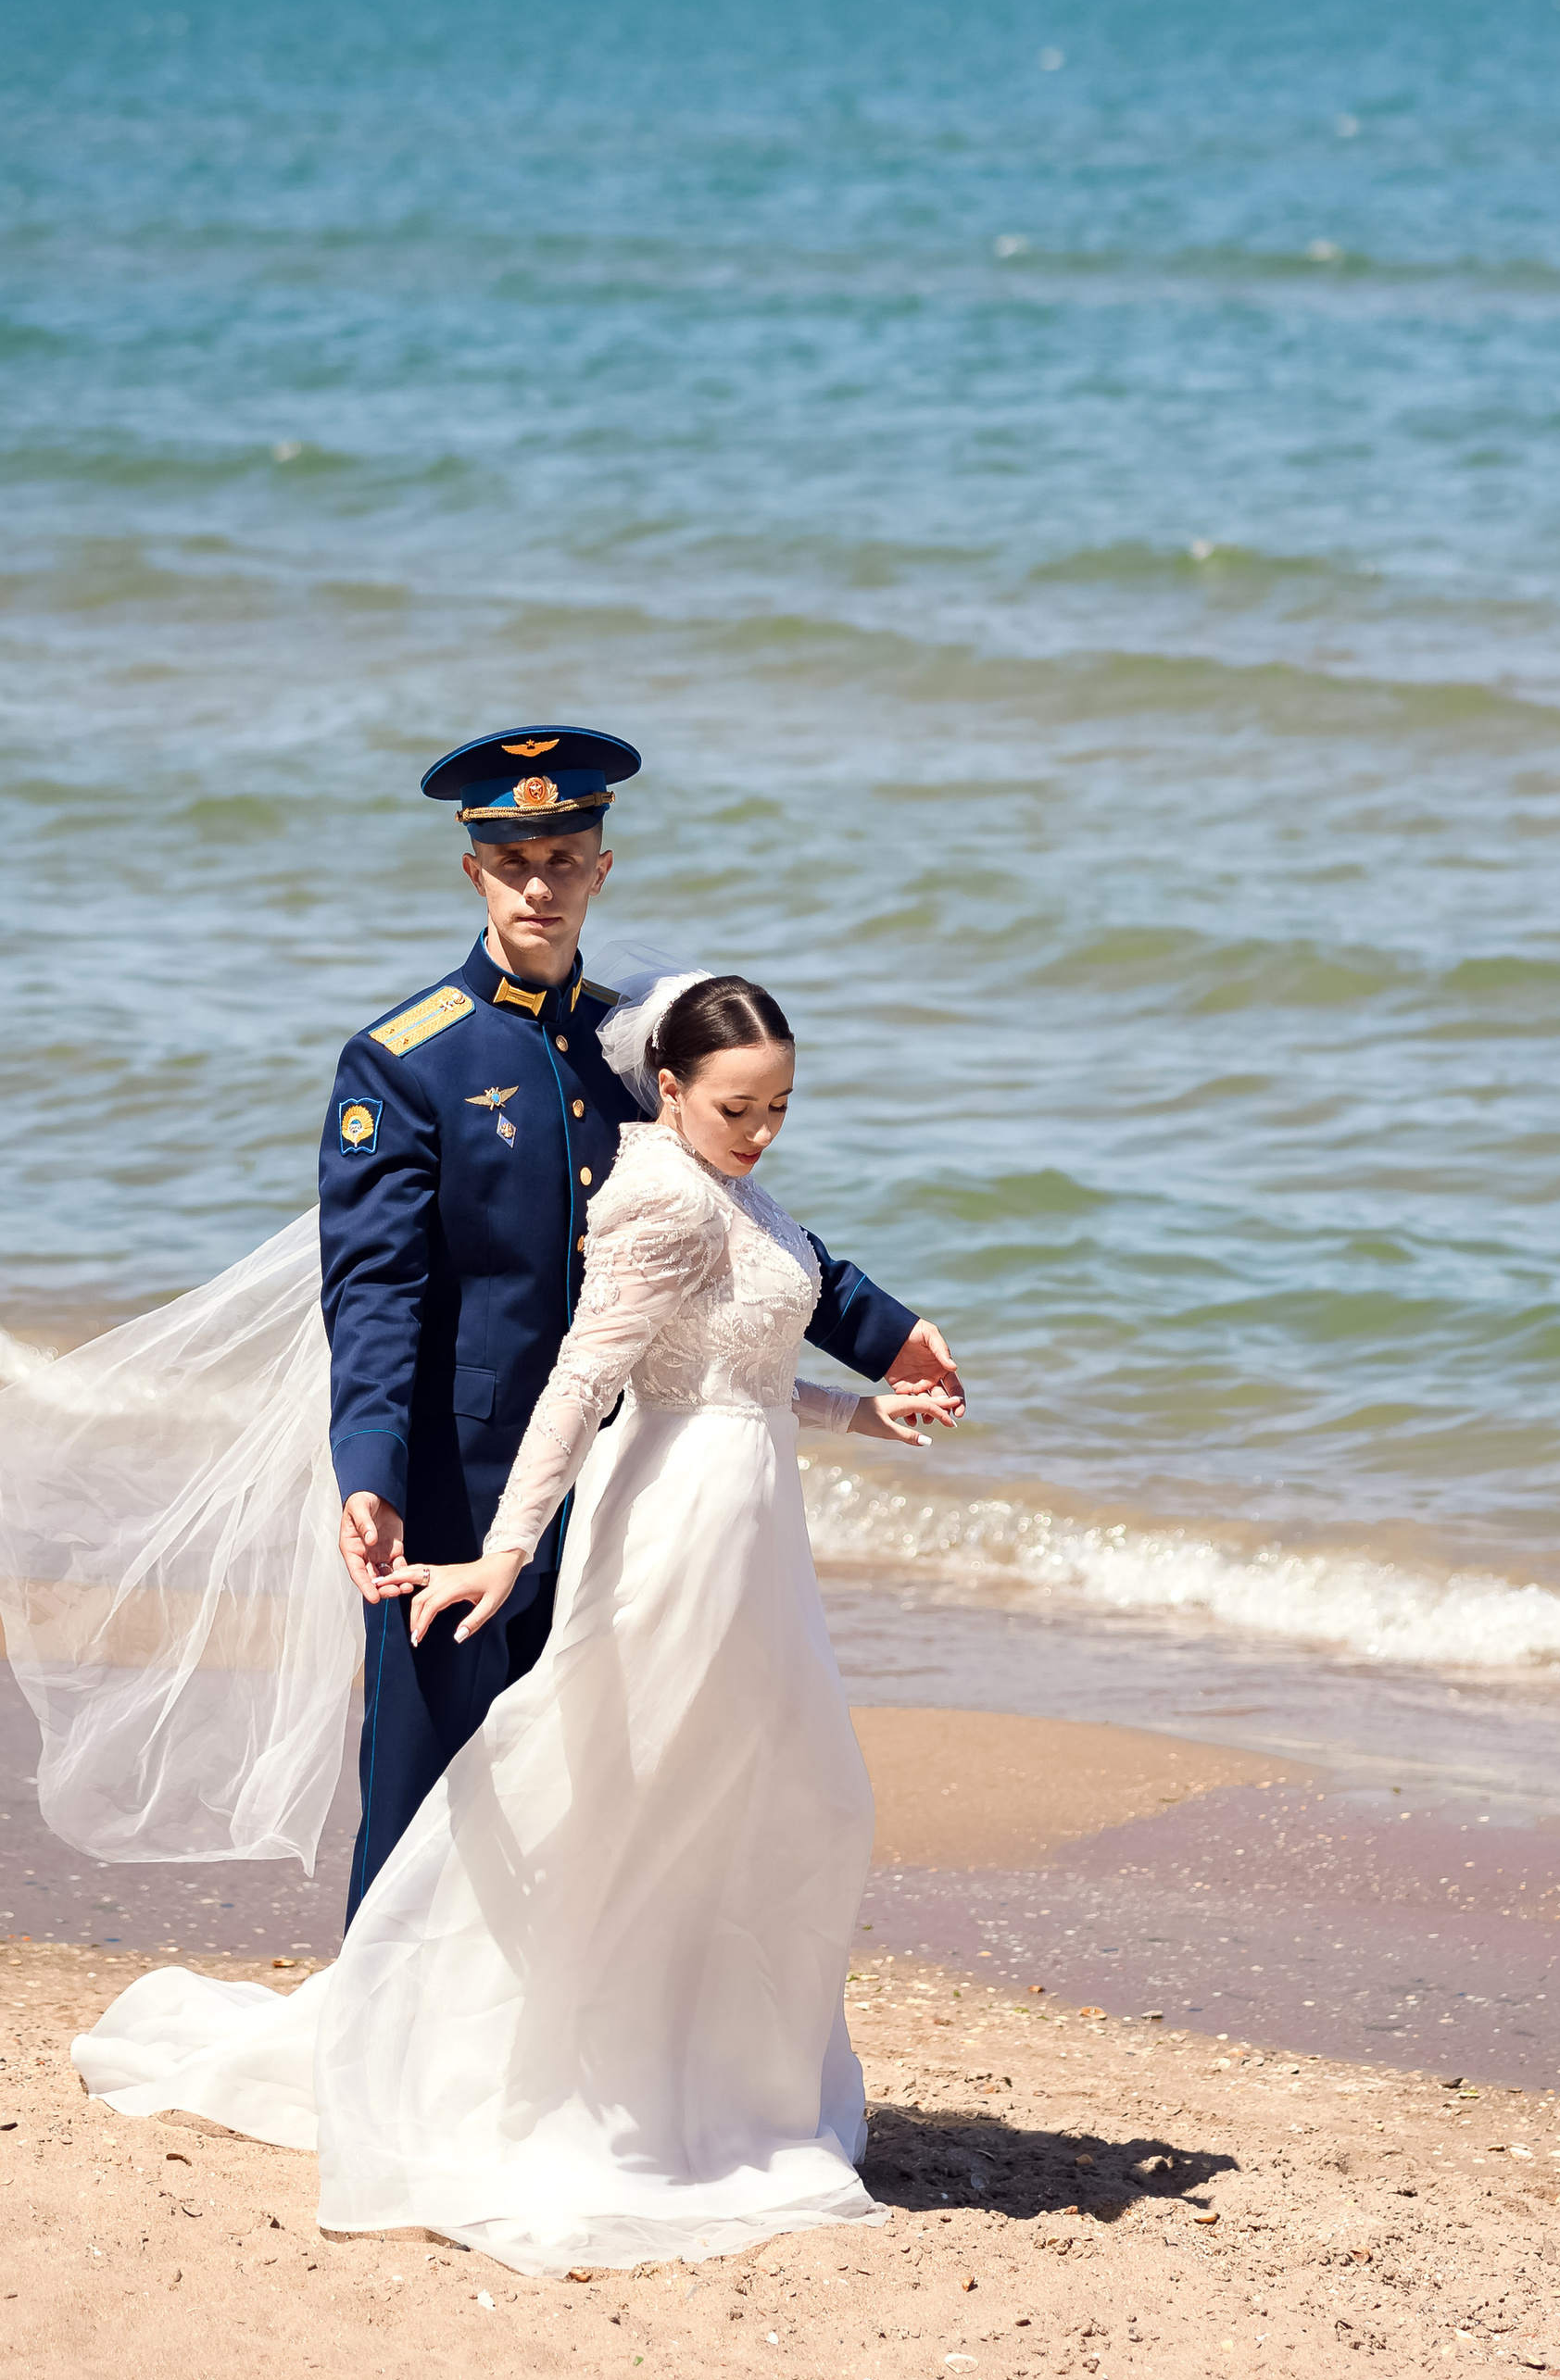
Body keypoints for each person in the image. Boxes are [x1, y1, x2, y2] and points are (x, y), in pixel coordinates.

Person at [73, 971, 956, 2274]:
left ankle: (672, 2069)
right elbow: (427, 1311)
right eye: (740, 1109)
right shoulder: (426, 1064)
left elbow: (748, 1345)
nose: (761, 1129)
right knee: (493, 1785)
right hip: (539, 1485)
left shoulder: (660, 1078)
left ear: (599, 870)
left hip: (729, 1533)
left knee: (721, 1801)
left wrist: (870, 1392)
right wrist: (436, 1507)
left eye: (779, 1107)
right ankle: (404, 2064)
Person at [323, 725, 960, 1917]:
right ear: (472, 872)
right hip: (463, 1472)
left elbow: (742, 1217)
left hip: (630, 1481)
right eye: (513, 863)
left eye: (563, 859)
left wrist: (881, 1332)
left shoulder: (635, 1045)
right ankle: (375, 2018)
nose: (539, 886)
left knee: (593, 1792)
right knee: (425, 1784)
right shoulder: (406, 1062)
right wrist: (369, 1466)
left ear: (600, 870)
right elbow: (374, 1290)